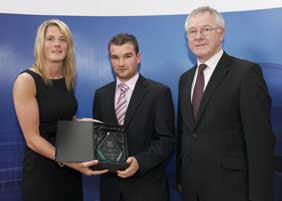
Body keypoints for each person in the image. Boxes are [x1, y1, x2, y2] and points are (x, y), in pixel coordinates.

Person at [176, 6, 275, 201]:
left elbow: (260, 143)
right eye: (192, 31)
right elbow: (186, 133)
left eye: (206, 29)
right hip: (190, 189)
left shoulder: (246, 73)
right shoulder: (185, 79)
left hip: (232, 190)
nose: (198, 36)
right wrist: (181, 178)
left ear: (220, 33)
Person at [13, 19, 107, 201]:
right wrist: (72, 163)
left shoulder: (67, 78)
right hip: (42, 170)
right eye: (50, 39)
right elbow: (32, 139)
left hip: (69, 167)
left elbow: (61, 118)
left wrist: (81, 123)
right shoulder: (26, 81)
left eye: (62, 39)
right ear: (41, 44)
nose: (57, 44)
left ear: (68, 46)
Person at [93, 33, 175, 201]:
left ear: (138, 57)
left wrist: (139, 162)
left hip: (147, 189)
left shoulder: (158, 93)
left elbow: (167, 140)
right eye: (115, 57)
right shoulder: (101, 95)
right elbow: (98, 139)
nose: (121, 63)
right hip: (111, 190)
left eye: (127, 56)